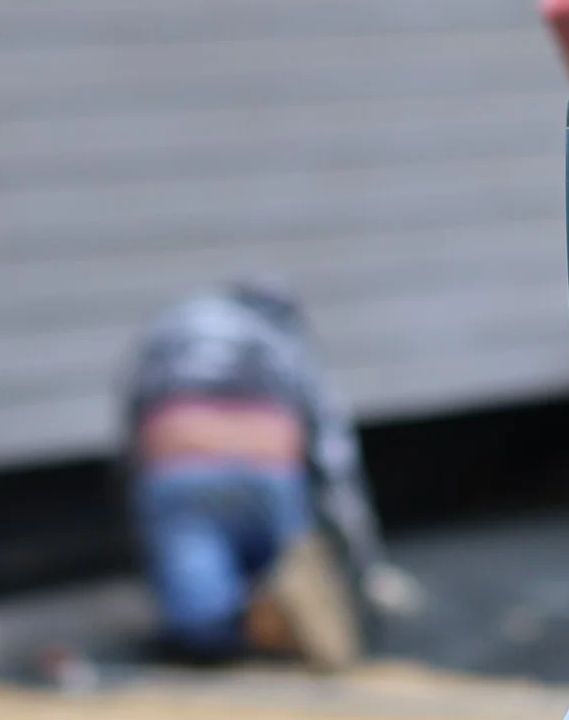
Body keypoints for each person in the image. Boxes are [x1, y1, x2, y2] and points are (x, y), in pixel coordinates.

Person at [122, 279, 410, 667]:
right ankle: (276, 615)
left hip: (182, 467)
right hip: (268, 470)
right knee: (288, 566)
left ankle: (220, 625)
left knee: (198, 618)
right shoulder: (282, 338)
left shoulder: (175, 324)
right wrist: (364, 562)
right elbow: (331, 449)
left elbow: (134, 421)